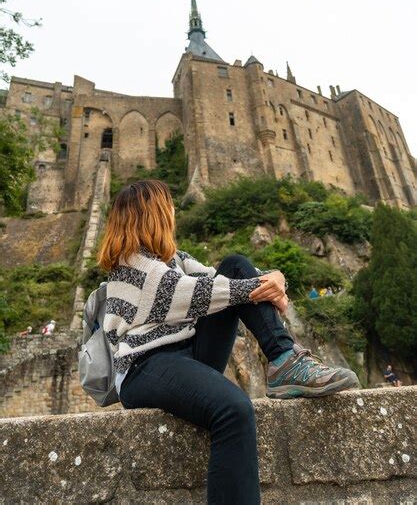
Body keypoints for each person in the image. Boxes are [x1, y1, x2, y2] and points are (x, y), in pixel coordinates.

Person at [98, 180, 359, 505]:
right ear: (152, 214)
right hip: (145, 367)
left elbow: (225, 277)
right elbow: (198, 293)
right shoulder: (130, 267)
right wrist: (263, 285)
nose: (174, 212)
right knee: (234, 410)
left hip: (189, 354)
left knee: (235, 262)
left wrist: (274, 278)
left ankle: (284, 361)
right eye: (169, 206)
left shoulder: (174, 259)